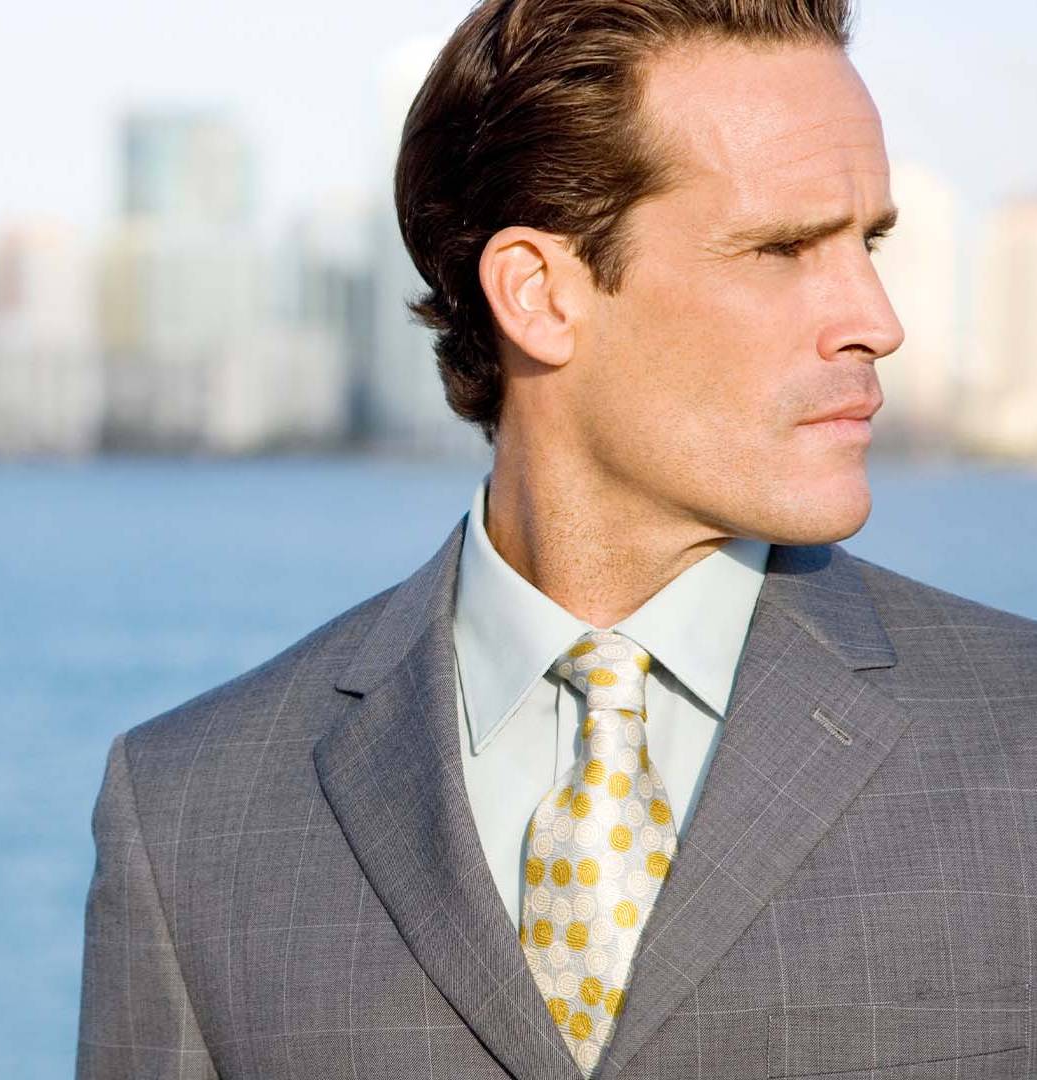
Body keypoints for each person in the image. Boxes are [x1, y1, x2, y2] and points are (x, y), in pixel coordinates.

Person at [75, 1, 1037, 1077]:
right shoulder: (191, 817)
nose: (876, 317)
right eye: (780, 249)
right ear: (539, 294)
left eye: (868, 242)